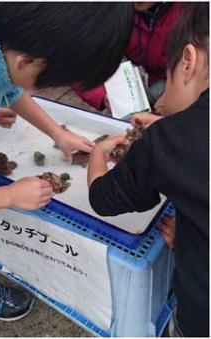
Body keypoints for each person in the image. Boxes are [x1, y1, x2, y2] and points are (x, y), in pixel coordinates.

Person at [0, 2, 134, 322]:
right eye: (42, 82)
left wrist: (57, 133)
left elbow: (9, 82)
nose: (36, 89)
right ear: (25, 60)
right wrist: (10, 196)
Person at [87, 3, 209, 337]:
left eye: (168, 78)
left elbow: (104, 198)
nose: (162, 101)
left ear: (188, 61)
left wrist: (99, 151)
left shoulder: (167, 142)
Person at [71, 2, 185, 113]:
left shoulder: (194, 12)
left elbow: (200, 76)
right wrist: (103, 97)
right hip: (123, 88)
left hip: (171, 92)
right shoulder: (103, 8)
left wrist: (174, 99)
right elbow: (76, 56)